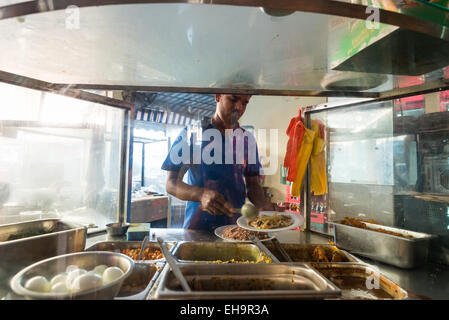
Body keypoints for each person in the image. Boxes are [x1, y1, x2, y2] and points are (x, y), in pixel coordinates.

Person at [161, 94, 281, 230]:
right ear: (218, 96)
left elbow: (252, 185)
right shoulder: (193, 134)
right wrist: (201, 194)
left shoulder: (247, 140)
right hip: (197, 229)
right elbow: (171, 184)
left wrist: (262, 204)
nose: (239, 108)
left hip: (235, 228)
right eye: (233, 99)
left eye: (245, 103)